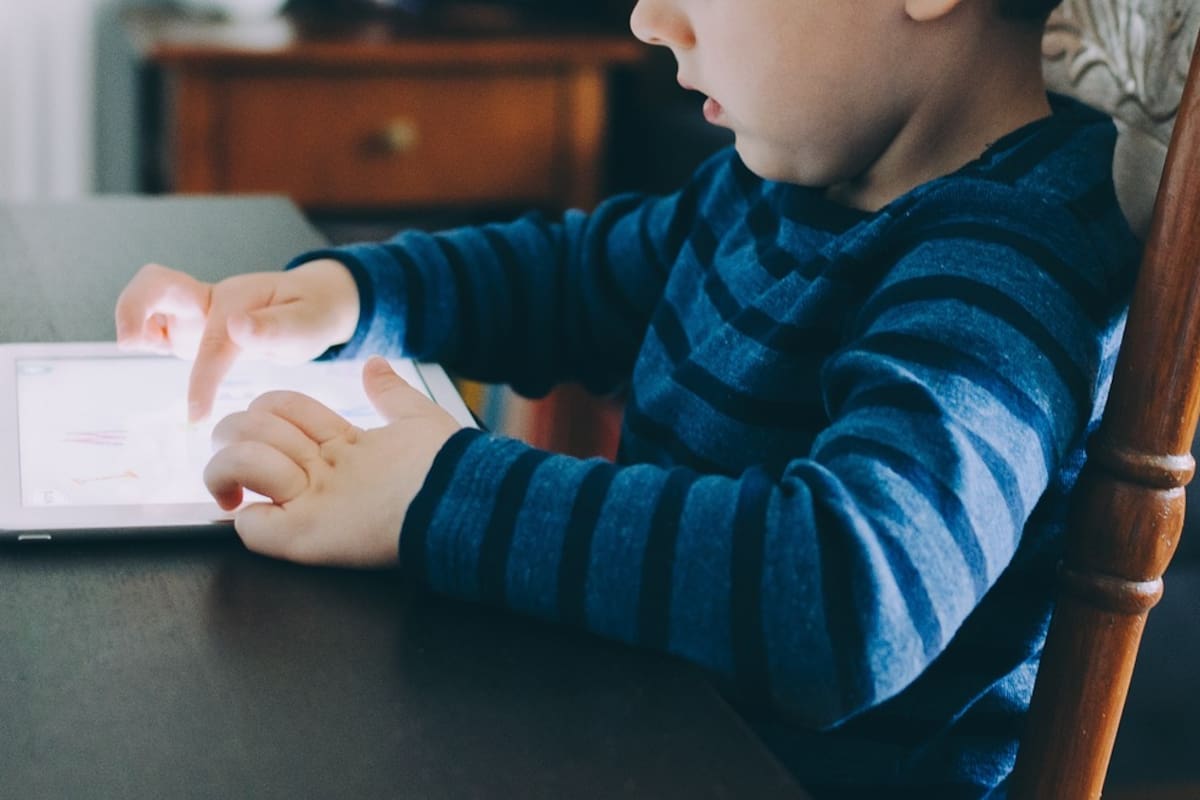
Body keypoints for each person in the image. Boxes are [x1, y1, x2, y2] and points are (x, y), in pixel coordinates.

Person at [114, 0, 1143, 795]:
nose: (650, 19)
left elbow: (850, 593)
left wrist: (439, 487)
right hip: (649, 728)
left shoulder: (1011, 261)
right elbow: (572, 278)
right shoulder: (782, 184)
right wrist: (348, 295)